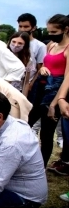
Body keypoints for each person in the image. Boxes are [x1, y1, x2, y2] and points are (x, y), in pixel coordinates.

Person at [28, 14, 69, 169]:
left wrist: (54, 103)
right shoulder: (51, 45)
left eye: (54, 32)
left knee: (47, 132)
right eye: (49, 31)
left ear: (65, 29)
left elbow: (67, 78)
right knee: (27, 122)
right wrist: (44, 68)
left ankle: (41, 166)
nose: (51, 35)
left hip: (55, 93)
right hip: (41, 89)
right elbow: (45, 64)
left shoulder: (67, 48)